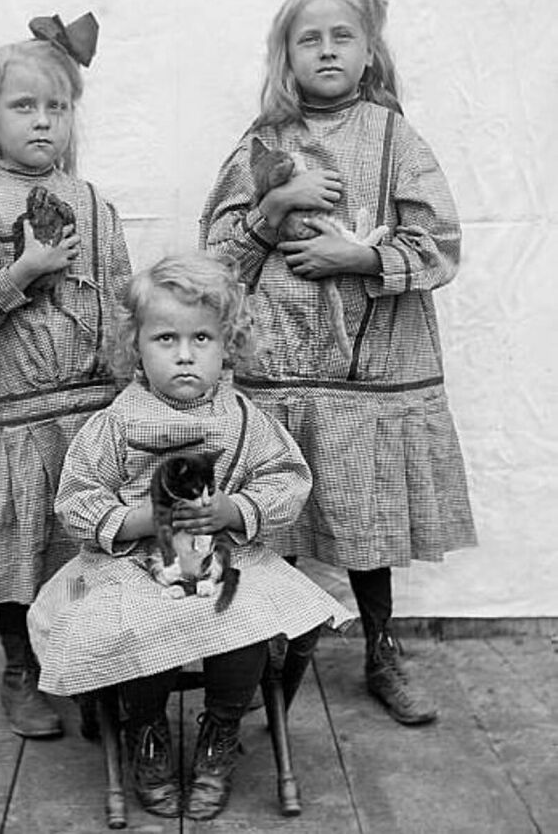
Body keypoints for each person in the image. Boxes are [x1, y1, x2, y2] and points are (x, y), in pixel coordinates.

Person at [200, 0, 477, 726]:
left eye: (341, 36)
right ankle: (269, 648)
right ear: (284, 57)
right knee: (274, 516)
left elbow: (441, 243)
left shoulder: (396, 139)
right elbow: (216, 259)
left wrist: (360, 259)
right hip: (278, 368)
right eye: (308, 38)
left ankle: (382, 646)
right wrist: (274, 207)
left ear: (369, 52)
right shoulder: (262, 145)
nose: (325, 50)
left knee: (366, 514)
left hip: (369, 372)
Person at [27, 255, 354, 820]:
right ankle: (146, 729)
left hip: (226, 558)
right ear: (136, 348)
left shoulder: (246, 420)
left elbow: (288, 478)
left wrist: (235, 508)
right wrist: (139, 521)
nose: (184, 354)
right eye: (165, 338)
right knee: (134, 619)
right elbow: (76, 499)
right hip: (130, 565)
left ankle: (220, 732)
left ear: (228, 344)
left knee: (245, 616)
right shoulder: (115, 424)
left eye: (201, 337)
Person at [0, 12, 132, 739]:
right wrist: (21, 272)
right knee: (17, 545)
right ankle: (21, 667)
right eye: (24, 106)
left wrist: (127, 374)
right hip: (12, 415)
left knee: (84, 544)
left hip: (86, 411)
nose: (43, 121)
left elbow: (117, 294)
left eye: (57, 106)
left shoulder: (95, 204)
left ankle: (87, 665)